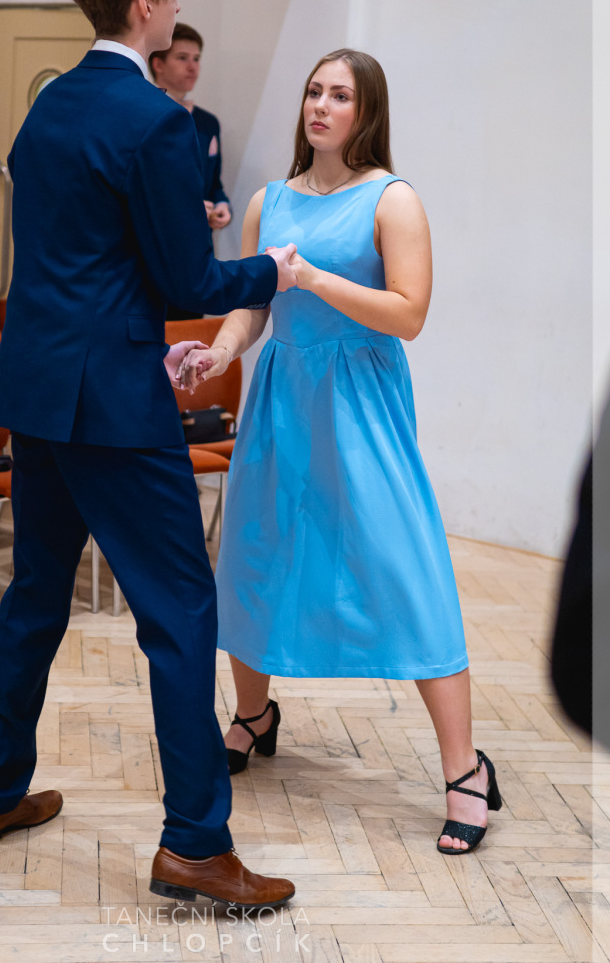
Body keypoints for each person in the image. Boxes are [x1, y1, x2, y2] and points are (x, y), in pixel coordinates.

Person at [0, 0, 297, 910]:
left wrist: (156, 298)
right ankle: (195, 844)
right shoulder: (155, 120)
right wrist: (268, 272)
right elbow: (188, 280)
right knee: (181, 610)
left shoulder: (48, 105)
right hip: (111, 401)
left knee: (35, 596)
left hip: (39, 393)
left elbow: (81, 257)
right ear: (146, 4)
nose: (178, 11)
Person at [179, 48, 503, 856]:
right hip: (281, 399)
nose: (320, 106)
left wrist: (315, 279)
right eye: (313, 92)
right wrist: (220, 353)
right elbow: (254, 305)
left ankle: (466, 769)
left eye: (340, 95)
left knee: (407, 570)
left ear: (367, 111)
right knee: (254, 557)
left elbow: (408, 314)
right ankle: (253, 714)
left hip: (361, 404)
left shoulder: (392, 200)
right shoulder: (269, 201)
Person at [149, 23, 232, 234]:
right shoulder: (143, 116)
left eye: (196, 59)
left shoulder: (208, 122)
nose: (192, 67)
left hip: (201, 240)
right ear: (158, 64)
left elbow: (213, 184)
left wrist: (222, 204)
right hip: (156, 238)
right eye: (182, 58)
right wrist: (185, 209)